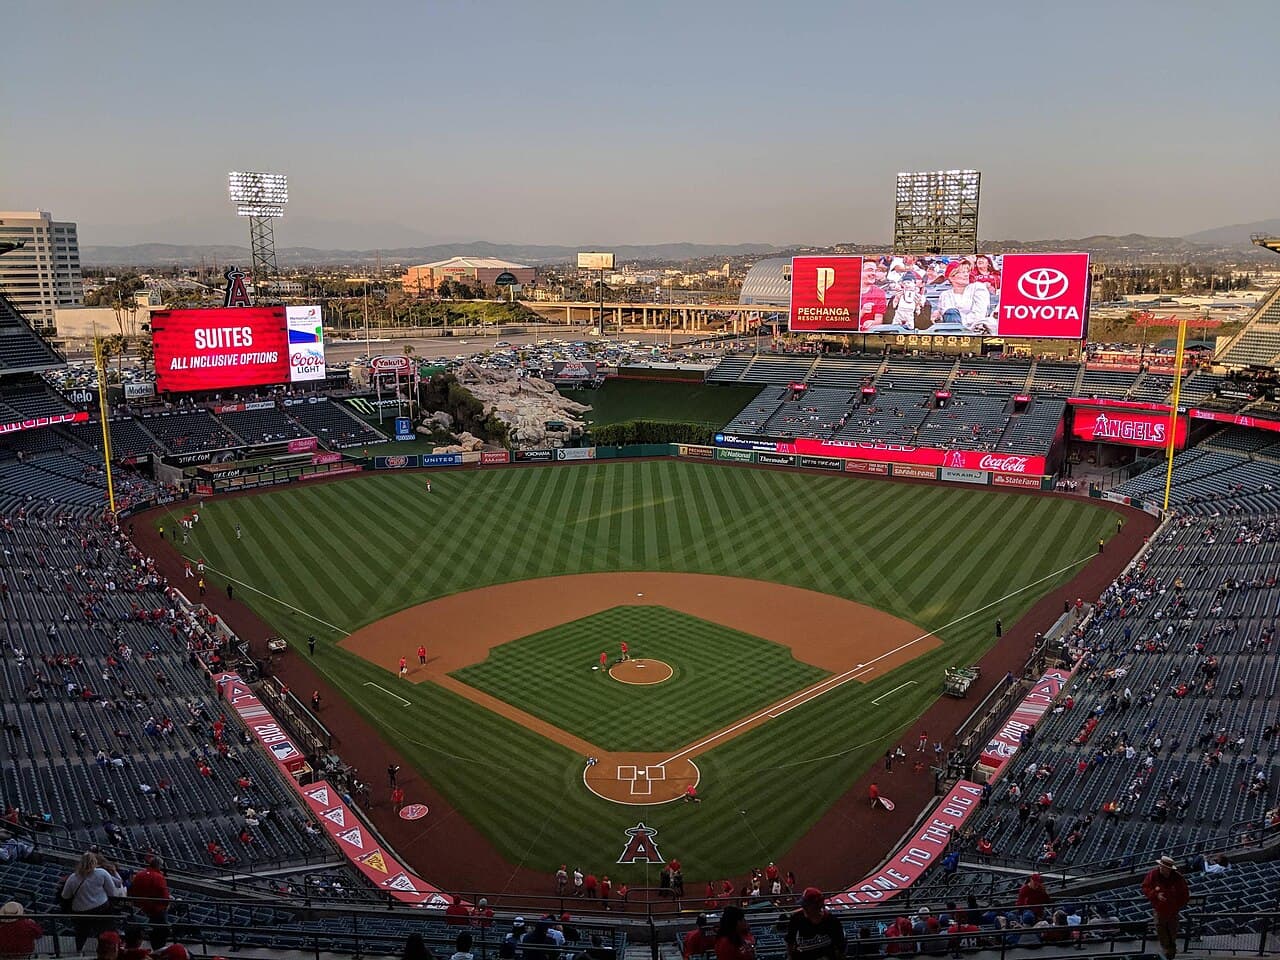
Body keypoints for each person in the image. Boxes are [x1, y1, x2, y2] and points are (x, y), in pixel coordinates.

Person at [61, 851, 126, 951]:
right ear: (94, 862)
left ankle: (78, 951)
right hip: (101, 908)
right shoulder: (101, 873)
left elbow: (65, 896)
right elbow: (111, 893)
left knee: (81, 934)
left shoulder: (73, 878)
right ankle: (104, 951)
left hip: (80, 911)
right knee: (104, 931)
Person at [1142, 855, 1190, 960]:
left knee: (1172, 930)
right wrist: (1155, 894)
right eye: (1161, 866)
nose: (1161, 868)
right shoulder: (1153, 874)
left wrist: (1176, 904)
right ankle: (1167, 949)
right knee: (1160, 928)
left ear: (1169, 868)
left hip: (1173, 910)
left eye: (1164, 867)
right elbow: (1146, 887)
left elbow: (1184, 894)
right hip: (1159, 909)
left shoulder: (1177, 877)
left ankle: (1171, 949)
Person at [785, 888, 845, 960]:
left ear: (816, 907)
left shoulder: (832, 921)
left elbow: (840, 947)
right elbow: (790, 941)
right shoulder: (796, 918)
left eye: (806, 906)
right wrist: (789, 956)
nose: (803, 908)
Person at [934, 260, 992, 331]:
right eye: (962, 272)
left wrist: (960, 322)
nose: (966, 275)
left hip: (975, 330)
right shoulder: (945, 295)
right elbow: (948, 316)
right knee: (951, 312)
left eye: (967, 272)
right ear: (951, 277)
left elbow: (979, 315)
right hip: (951, 329)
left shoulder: (978, 288)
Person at [127, 856, 171, 946]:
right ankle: (159, 944)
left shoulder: (139, 874)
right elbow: (165, 898)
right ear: (159, 866)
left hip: (138, 906)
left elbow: (131, 890)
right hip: (153, 909)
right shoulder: (159, 877)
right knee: (163, 926)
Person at [858, 260, 888, 331]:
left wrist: (873, 322)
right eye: (870, 270)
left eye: (875, 271)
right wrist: (862, 312)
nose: (874, 273)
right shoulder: (847, 290)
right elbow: (844, 321)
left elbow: (879, 319)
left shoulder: (879, 293)